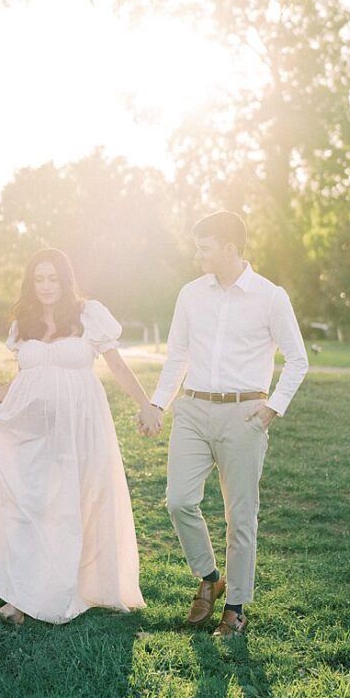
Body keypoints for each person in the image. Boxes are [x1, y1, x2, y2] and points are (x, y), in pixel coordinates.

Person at [0, 248, 151, 625]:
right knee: (27, 508)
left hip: (79, 430)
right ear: (30, 283)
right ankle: (18, 600)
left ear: (65, 281)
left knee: (69, 508)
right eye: (39, 279)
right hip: (31, 428)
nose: (46, 286)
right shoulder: (24, 324)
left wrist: (147, 404)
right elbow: (22, 382)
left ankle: (67, 589)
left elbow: (116, 366)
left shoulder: (88, 315)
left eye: (53, 278)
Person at [138, 211, 309, 637]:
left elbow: (298, 359)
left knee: (240, 516)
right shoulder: (191, 294)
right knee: (178, 500)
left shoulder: (271, 297)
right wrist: (159, 404)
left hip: (244, 414)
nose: (197, 254)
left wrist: (272, 407)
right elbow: (177, 355)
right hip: (193, 410)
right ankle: (209, 575)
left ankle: (234, 606)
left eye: (205, 246)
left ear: (230, 248)